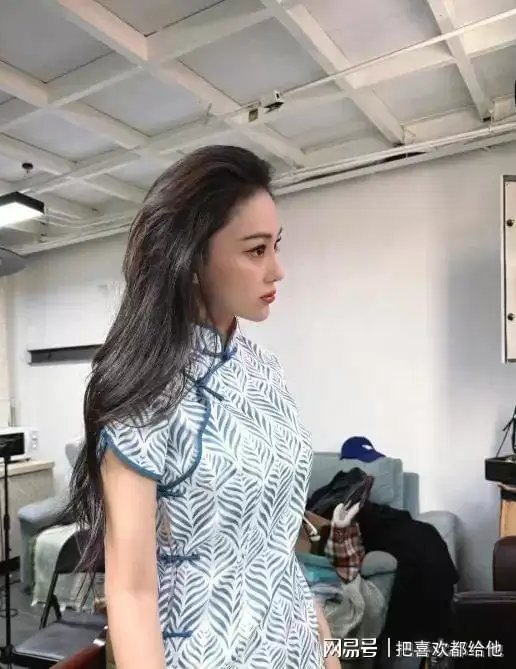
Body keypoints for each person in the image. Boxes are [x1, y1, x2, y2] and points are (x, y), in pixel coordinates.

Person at [68, 145, 341, 669]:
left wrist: (327, 655)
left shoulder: (266, 370)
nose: (278, 270)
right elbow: (131, 594)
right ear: (193, 258)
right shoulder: (144, 391)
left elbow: (278, 553)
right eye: (256, 250)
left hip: (297, 645)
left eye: (276, 246)